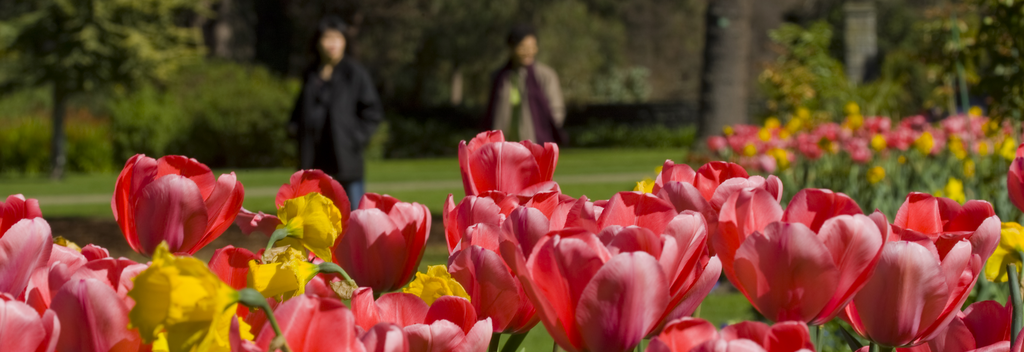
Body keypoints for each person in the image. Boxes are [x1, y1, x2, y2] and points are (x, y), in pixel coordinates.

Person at [289, 15, 383, 209]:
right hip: (314, 157)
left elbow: (372, 112)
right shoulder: (310, 73)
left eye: (337, 38)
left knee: (355, 216)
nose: (332, 43)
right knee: (316, 219)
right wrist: (295, 131)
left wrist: (355, 138)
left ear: (345, 42)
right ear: (317, 42)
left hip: (345, 158)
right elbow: (299, 110)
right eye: (327, 38)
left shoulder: (354, 73)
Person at [485, 24, 566, 144]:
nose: (528, 51)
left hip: (536, 141)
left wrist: (547, 127)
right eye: (522, 47)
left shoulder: (545, 75)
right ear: (511, 48)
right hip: (504, 144)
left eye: (532, 47)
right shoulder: (499, 77)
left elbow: (557, 108)